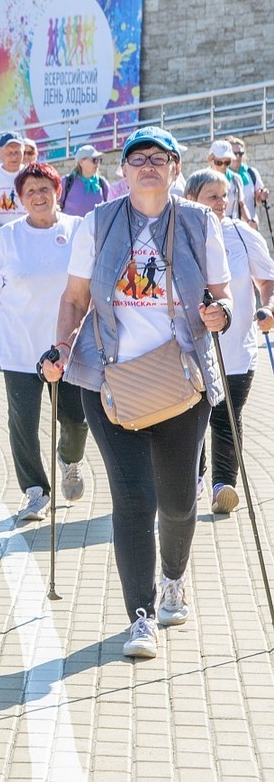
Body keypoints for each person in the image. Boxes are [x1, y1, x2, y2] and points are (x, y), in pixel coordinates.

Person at [41, 126, 231, 659]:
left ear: (175, 168)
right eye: (137, 158)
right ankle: (140, 615)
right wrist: (59, 349)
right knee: (133, 500)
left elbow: (220, 296)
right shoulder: (96, 224)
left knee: (176, 502)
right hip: (109, 382)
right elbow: (75, 298)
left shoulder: (199, 223)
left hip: (181, 381)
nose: (148, 165)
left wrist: (221, 314)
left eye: (159, 158)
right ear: (121, 172)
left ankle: (174, 578)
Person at [0, 162, 90, 520]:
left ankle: (69, 459)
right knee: (23, 424)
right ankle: (35, 491)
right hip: (19, 348)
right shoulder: (7, 237)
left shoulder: (79, 231)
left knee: (75, 421)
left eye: (45, 188)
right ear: (20, 199)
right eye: (30, 192)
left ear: (57, 190)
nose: (39, 196)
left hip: (67, 347)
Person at [184, 168, 274, 514]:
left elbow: (267, 280)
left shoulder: (242, 235)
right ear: (191, 200)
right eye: (213, 196)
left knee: (226, 414)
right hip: (191, 351)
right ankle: (196, 477)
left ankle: (224, 484)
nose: (222, 203)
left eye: (225, 196)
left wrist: (267, 308)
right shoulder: (177, 237)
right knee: (193, 417)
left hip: (237, 349)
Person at [205, 140, 252, 224]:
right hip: (209, 227)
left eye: (227, 162)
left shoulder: (236, 179)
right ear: (211, 160)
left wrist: (250, 221)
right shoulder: (202, 179)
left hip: (231, 228)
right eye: (219, 162)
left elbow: (241, 204)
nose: (223, 166)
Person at [60, 145, 109, 217]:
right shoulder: (67, 182)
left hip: (97, 228)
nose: (98, 164)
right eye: (94, 160)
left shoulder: (102, 183)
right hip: (73, 228)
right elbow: (57, 205)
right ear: (81, 162)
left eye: (99, 160)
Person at [228, 136, 268, 222]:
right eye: (234, 153)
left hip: (250, 225)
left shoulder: (251, 173)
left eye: (241, 153)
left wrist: (262, 195)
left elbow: (258, 201)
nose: (238, 156)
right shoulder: (221, 175)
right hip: (230, 228)